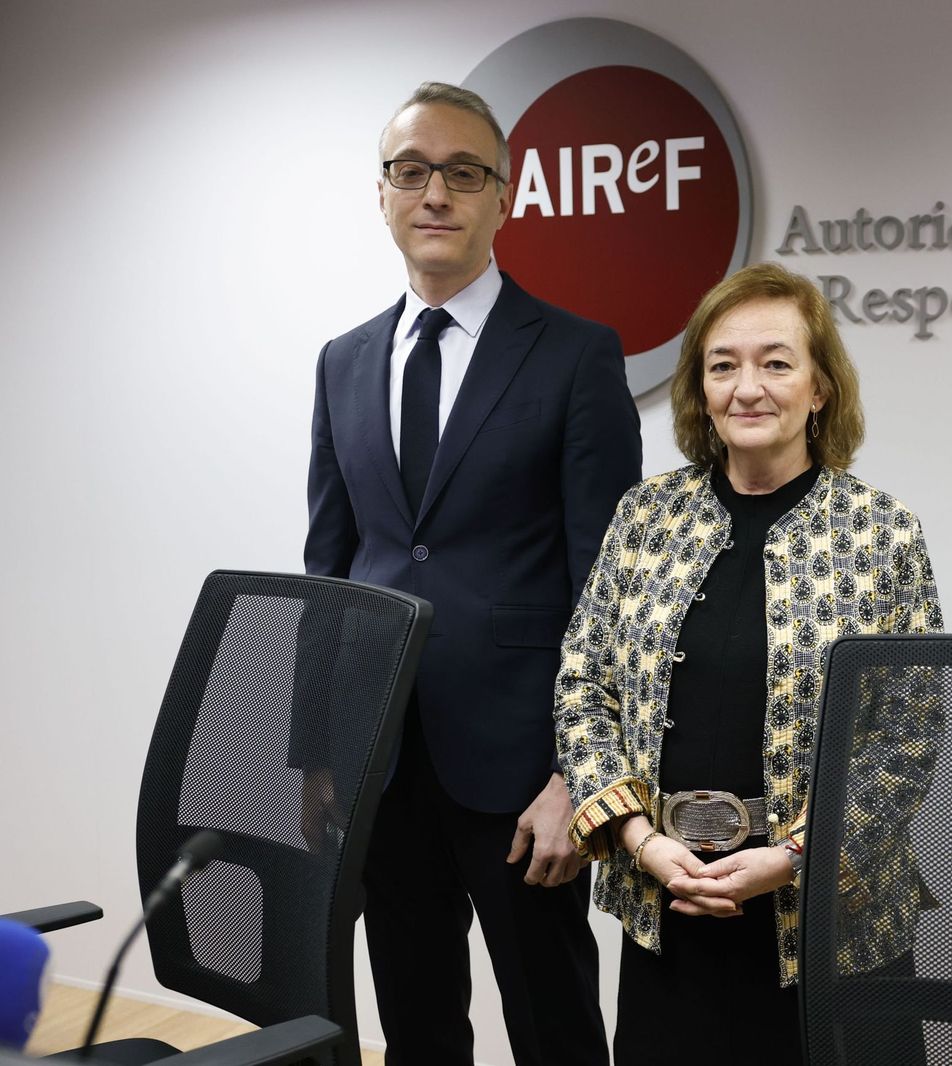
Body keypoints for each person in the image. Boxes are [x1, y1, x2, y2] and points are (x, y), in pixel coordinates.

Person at [302, 81, 639, 1066]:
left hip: (519, 766)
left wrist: (582, 772)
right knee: (411, 1019)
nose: (435, 193)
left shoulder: (576, 356)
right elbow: (329, 564)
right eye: (412, 172)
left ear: (506, 194)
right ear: (384, 194)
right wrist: (315, 750)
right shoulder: (343, 361)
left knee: (552, 1023)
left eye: (462, 172)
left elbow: (607, 586)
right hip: (381, 756)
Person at [554, 262, 944, 1063]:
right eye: (722, 365)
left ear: (820, 388)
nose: (748, 387)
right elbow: (583, 687)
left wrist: (790, 858)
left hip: (832, 921)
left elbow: (908, 735)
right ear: (700, 390)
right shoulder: (645, 518)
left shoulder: (882, 534)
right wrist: (637, 837)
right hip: (669, 898)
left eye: (776, 362)